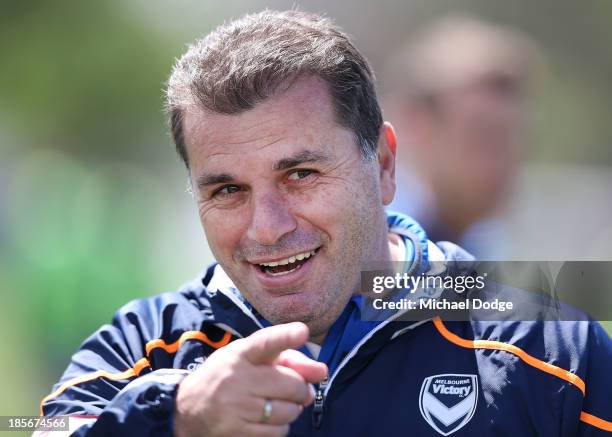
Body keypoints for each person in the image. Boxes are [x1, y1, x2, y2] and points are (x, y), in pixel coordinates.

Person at [39, 10, 610, 436]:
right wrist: (177, 414)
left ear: (383, 165)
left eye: (301, 175)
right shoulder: (143, 347)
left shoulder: (553, 351)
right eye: (227, 190)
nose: (267, 227)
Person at [383, 16, 538, 257]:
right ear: (415, 126)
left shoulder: (486, 244)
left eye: (509, 137)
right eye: (481, 135)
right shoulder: (372, 243)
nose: (501, 161)